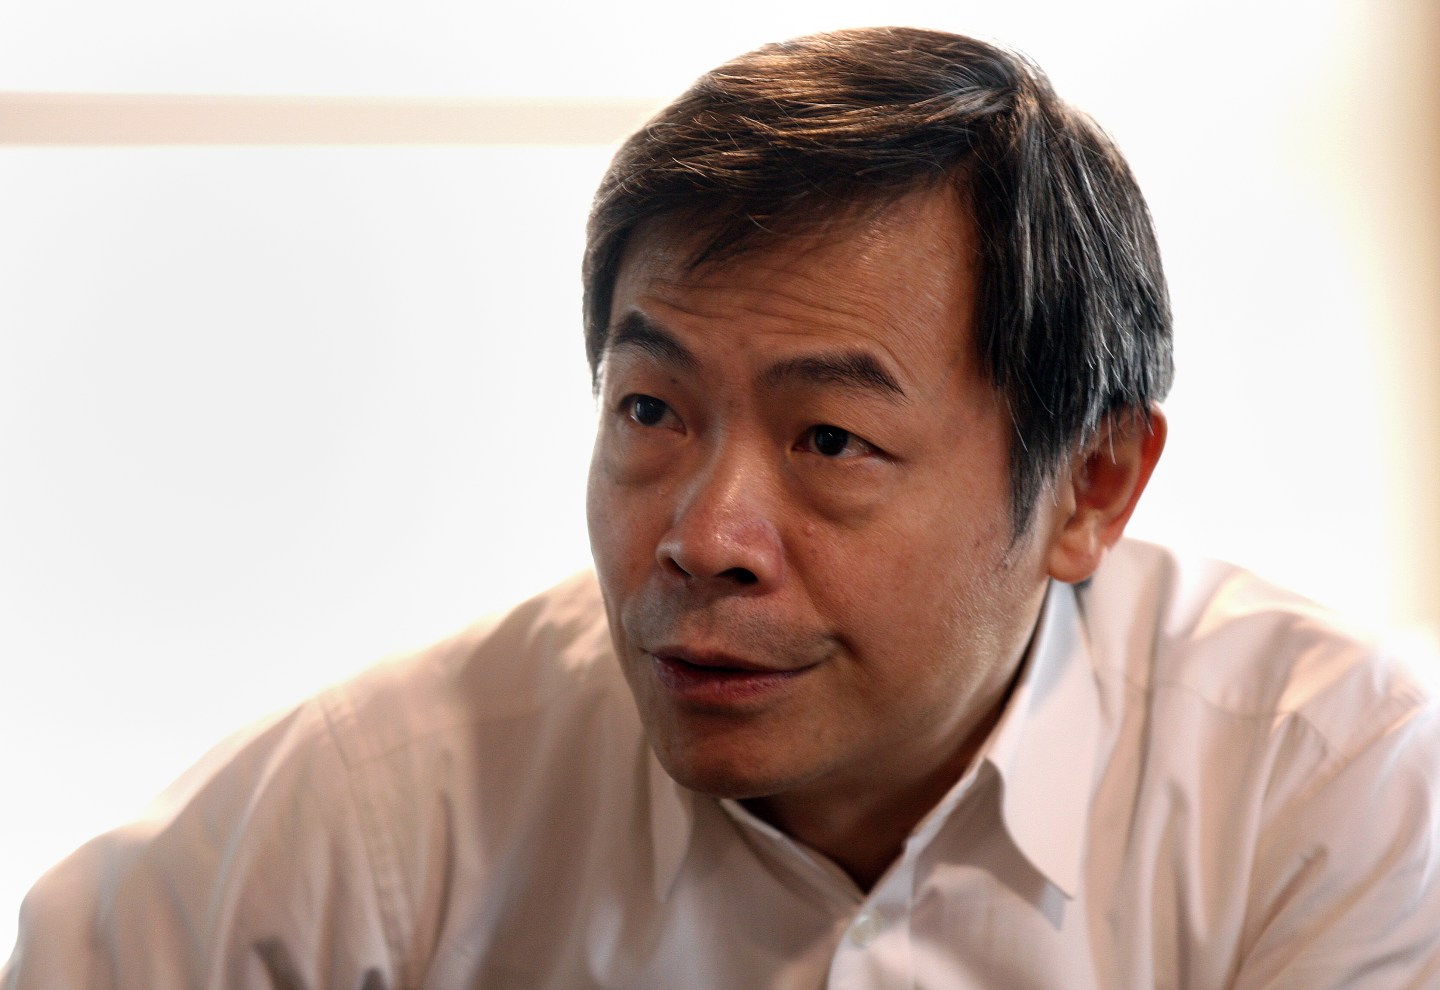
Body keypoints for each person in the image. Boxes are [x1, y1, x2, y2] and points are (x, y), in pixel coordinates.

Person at [5, 25, 1439, 990]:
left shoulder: (1325, 784)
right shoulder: (395, 808)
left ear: (1092, 484)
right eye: (651, 412)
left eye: (831, 437)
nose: (701, 538)